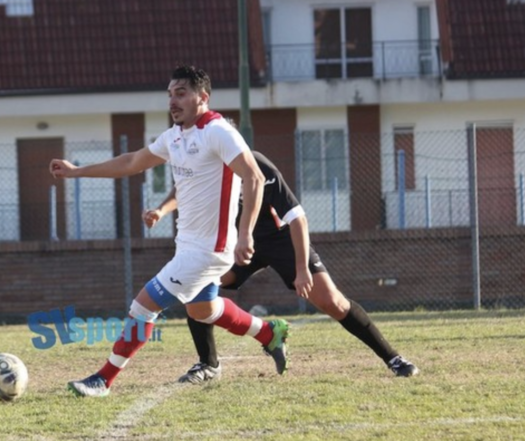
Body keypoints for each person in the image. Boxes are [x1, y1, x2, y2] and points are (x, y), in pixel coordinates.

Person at [49, 65, 290, 397]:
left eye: (181, 93)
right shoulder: (175, 137)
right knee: (204, 310)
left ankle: (103, 379)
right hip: (188, 246)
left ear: (202, 97)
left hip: (209, 250)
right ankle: (268, 333)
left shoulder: (219, 132)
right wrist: (78, 172)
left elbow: (254, 177)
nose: (173, 101)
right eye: (170, 94)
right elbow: (132, 162)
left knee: (143, 306)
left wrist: (246, 233)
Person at [142, 149, 419, 383]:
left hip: (281, 240)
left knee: (332, 301)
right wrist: (161, 210)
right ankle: (209, 364)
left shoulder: (259, 167)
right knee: (198, 285)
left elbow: (298, 219)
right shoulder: (207, 164)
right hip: (240, 244)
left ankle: (393, 358)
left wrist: (301, 270)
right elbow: (183, 189)